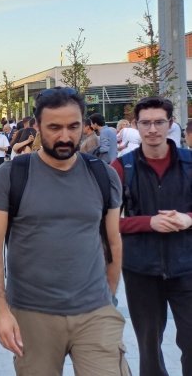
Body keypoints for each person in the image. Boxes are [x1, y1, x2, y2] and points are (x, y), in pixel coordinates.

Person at [0, 87, 128, 375]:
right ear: (37, 126)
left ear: (83, 123)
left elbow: (113, 241)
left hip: (95, 313)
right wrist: (1, 311)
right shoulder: (12, 175)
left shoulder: (103, 175)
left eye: (73, 126)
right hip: (31, 314)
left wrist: (108, 299)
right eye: (54, 127)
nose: (65, 136)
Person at [111, 96, 192, 376]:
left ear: (171, 124)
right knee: (149, 344)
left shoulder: (189, 164)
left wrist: (187, 219)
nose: (152, 129)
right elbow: (105, 223)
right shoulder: (122, 168)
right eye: (145, 123)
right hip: (141, 270)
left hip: (187, 266)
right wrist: (148, 222)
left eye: (159, 122)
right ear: (136, 125)